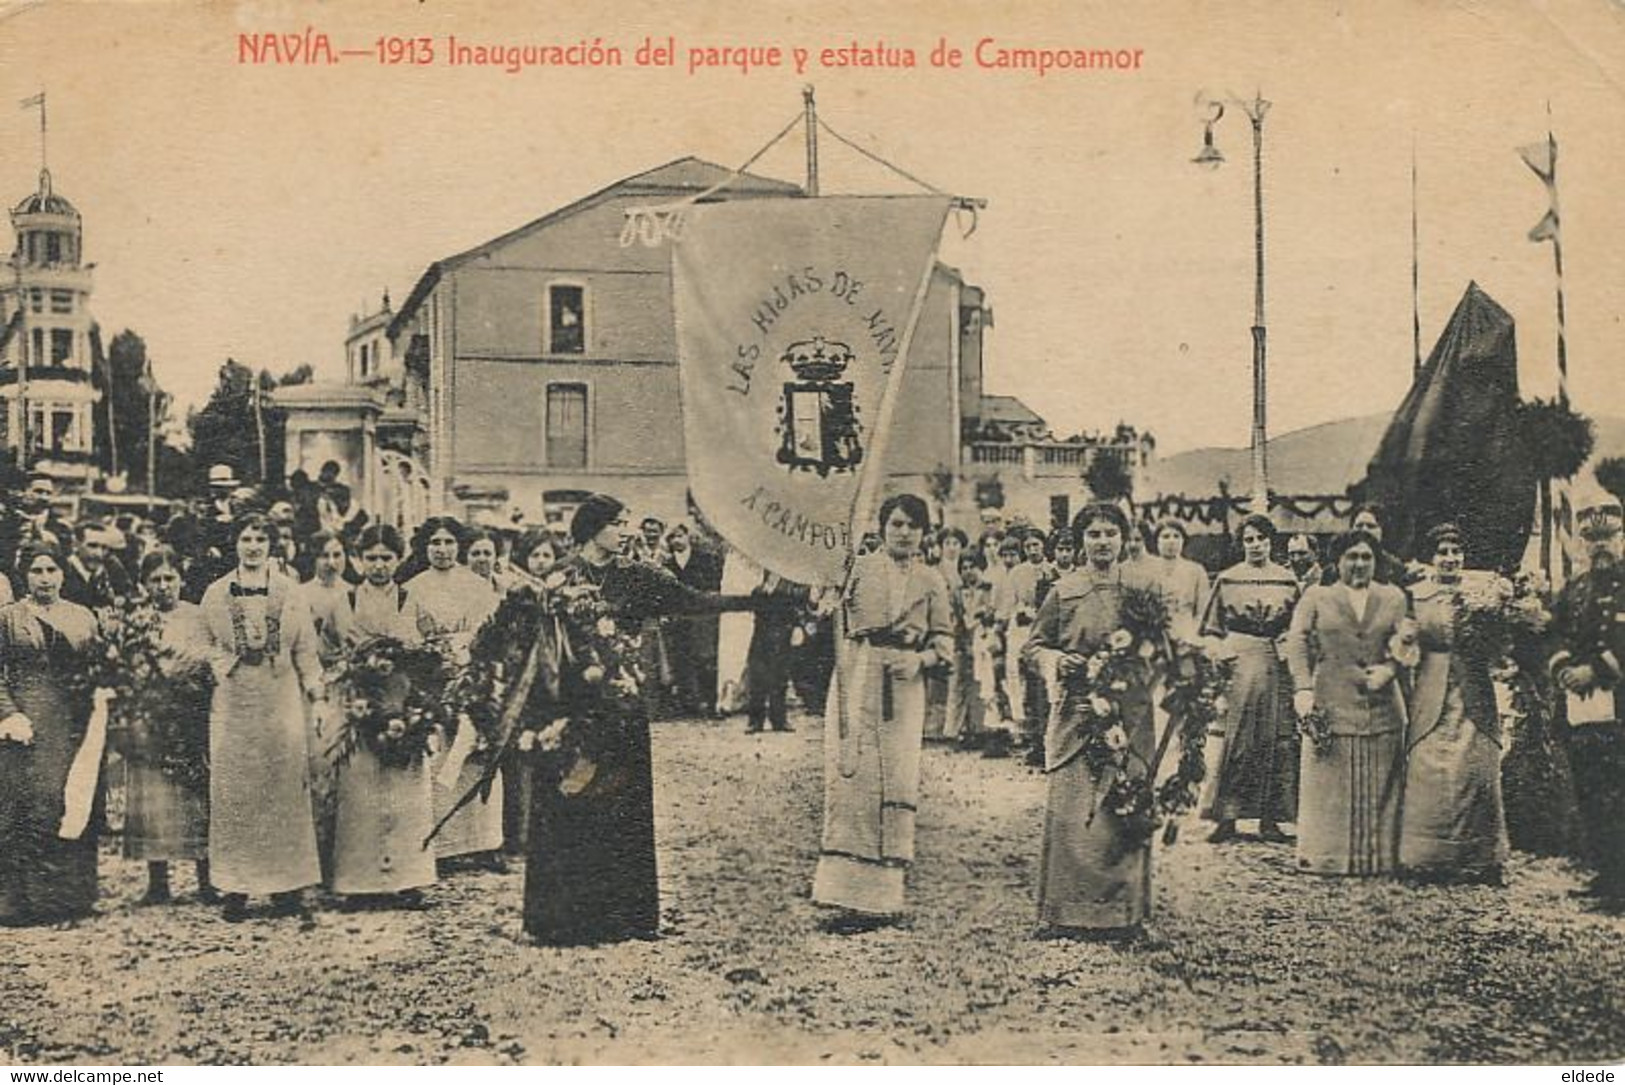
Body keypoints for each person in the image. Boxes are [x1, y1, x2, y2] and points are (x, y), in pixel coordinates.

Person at [522, 493, 757, 945]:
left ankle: (625, 917)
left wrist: (753, 602)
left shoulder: (637, 575)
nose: (625, 531)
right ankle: (560, 920)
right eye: (617, 523)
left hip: (622, 707)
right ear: (593, 529)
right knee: (570, 805)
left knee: (621, 807)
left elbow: (691, 600)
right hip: (570, 711)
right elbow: (541, 648)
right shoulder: (560, 578)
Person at [811, 494, 953, 931]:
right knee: (852, 776)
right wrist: (827, 600)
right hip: (857, 672)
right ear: (882, 527)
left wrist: (920, 661)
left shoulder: (932, 580)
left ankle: (883, 897)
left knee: (896, 776)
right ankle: (842, 893)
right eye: (896, 523)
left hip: (904, 684)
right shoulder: (856, 566)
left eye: (913, 525)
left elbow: (945, 644)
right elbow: (823, 606)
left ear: (924, 533)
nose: (904, 532)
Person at [1022, 504, 1158, 936]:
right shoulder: (1063, 591)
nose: (1102, 541)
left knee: (1124, 807)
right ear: (1080, 540)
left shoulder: (1141, 589)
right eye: (1094, 533)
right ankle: (1063, 914)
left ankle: (1128, 916)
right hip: (1077, 712)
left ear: (1124, 538)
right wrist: (1057, 661)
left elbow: (1162, 647)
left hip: (1128, 712)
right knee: (1073, 809)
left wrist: (1135, 664)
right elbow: (1034, 647)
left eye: (1110, 533)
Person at [198, 517, 324, 924]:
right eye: (245, 538)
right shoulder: (216, 593)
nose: (253, 546)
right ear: (235, 544)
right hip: (235, 700)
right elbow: (204, 645)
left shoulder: (290, 592)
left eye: (260, 539)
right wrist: (227, 662)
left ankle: (286, 887)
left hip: (280, 696)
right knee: (237, 790)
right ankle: (235, 886)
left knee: (282, 788)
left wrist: (315, 691)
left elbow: (305, 647)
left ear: (272, 544)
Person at [1284, 529, 1411, 876]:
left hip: (1381, 705)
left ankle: (1380, 858)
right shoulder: (1316, 597)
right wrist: (1303, 689)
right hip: (1331, 701)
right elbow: (1296, 642)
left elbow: (1406, 640)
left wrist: (1391, 668)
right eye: (1351, 557)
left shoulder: (1394, 597)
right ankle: (1326, 856)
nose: (1359, 564)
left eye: (1366, 557)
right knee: (1330, 782)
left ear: (1376, 561)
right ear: (1337, 561)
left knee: (1381, 780)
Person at [329, 525, 436, 908]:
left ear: (398, 559)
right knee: (361, 793)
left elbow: (431, 652)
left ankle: (409, 879)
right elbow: (329, 650)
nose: (378, 565)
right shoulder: (345, 602)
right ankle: (358, 883)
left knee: (405, 793)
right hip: (359, 703)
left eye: (386, 558)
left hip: (401, 702)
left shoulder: (412, 600)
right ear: (359, 560)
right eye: (371, 558)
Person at [1399, 523, 1510, 883]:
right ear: (1431, 558)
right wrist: (1407, 641)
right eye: (1443, 552)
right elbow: (1405, 643)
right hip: (1432, 687)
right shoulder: (1416, 595)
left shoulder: (1482, 595)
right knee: (1427, 765)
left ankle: (1482, 859)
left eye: (1455, 552)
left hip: (1474, 688)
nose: (1450, 559)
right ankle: (1426, 859)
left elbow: (1498, 645)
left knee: (1478, 767)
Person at [0, 542, 103, 925]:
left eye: (52, 570)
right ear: (24, 575)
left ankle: (71, 897)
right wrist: (9, 714)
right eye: (37, 571)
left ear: (63, 574)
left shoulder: (82, 617)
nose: (45, 578)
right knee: (27, 804)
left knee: (74, 799)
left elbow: (99, 668)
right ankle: (21, 901)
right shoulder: (9, 618)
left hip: (73, 720)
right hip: (27, 722)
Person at [405, 516, 504, 870]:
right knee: (439, 758)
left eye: (448, 543)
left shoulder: (476, 586)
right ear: (425, 548)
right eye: (435, 543)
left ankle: (486, 843)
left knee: (476, 755)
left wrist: (474, 669)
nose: (442, 550)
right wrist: (430, 660)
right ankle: (444, 846)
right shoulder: (413, 588)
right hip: (433, 680)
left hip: (472, 676)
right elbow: (408, 638)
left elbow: (493, 634)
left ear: (458, 546)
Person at [1198, 514, 1301, 844]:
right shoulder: (1228, 579)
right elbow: (1211, 628)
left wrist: (1288, 646)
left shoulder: (1287, 580)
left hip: (1275, 658)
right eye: (1249, 539)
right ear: (1241, 543)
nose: (1255, 545)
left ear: (1272, 541)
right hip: (1239, 658)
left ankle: (1270, 819)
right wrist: (1219, 652)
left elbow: (1299, 627)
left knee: (1275, 737)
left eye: (1261, 538)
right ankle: (1226, 816)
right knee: (1238, 737)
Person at [120, 549, 215, 905]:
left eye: (169, 578)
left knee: (195, 794)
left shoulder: (198, 617)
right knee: (153, 794)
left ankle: (205, 879)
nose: (163, 586)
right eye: (155, 580)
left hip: (190, 713)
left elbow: (208, 660)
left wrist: (186, 673)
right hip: (151, 714)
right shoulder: (138, 619)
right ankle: (158, 881)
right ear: (144, 584)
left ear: (181, 580)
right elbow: (130, 666)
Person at [1548, 488, 1625, 909]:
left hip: (1620, 705)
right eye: (1592, 539)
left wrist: (1595, 670)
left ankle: (1621, 885)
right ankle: (1604, 873)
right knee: (1590, 790)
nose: (1600, 546)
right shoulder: (1574, 589)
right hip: (1580, 709)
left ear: (1621, 537)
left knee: (1620, 792)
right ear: (1581, 542)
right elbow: (1554, 633)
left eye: (1608, 537)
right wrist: (1563, 669)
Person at [1145, 518, 1209, 641]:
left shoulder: (1196, 570)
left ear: (1183, 540)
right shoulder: (1147, 569)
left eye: (1176, 536)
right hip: (1155, 634)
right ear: (1156, 541)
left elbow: (1203, 611)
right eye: (1165, 536)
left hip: (1188, 631)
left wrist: (1192, 634)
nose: (1171, 541)